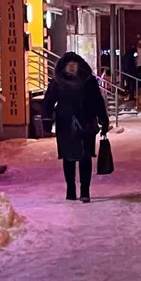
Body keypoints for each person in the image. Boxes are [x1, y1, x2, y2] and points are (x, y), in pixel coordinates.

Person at [42, 53, 110, 203]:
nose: (72, 67)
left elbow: (97, 101)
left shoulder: (89, 81)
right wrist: (46, 120)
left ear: (80, 65)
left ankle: (85, 191)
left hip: (86, 122)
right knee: (68, 158)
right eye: (69, 64)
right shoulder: (58, 82)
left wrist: (103, 119)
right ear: (64, 66)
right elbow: (48, 101)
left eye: (74, 64)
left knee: (85, 157)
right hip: (65, 124)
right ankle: (71, 190)